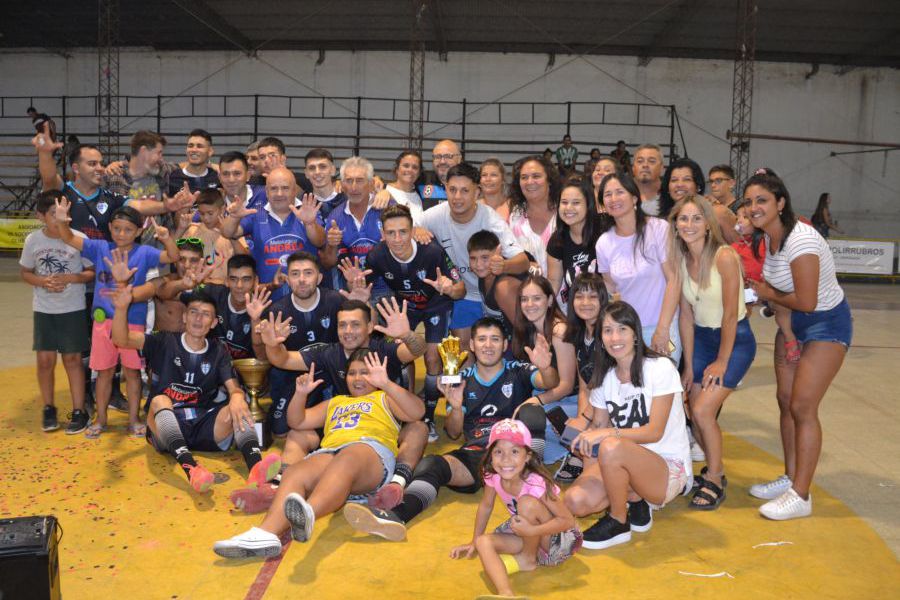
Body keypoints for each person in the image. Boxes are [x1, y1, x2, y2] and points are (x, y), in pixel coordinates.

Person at [341, 317, 557, 542]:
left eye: (495, 339)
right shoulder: (461, 379)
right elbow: (454, 433)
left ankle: (536, 483)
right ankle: (395, 516)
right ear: (472, 345)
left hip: (514, 454)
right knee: (432, 464)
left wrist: (545, 367)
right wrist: (456, 408)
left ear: (504, 345)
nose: (488, 345)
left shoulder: (517, 370)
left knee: (533, 411)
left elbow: (549, 382)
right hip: (480, 455)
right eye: (482, 339)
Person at [213, 349, 424, 557]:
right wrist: (300, 394)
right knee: (295, 473)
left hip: (370, 456)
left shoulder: (384, 398)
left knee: (349, 457)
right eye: (352, 373)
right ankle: (266, 533)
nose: (357, 378)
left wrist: (386, 383)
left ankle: (308, 512)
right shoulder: (336, 402)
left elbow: (417, 412)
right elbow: (297, 421)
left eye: (365, 372)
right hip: (332, 453)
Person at [244, 299, 428, 513]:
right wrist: (272, 344)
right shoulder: (330, 353)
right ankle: (278, 486)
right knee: (297, 433)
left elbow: (417, 350)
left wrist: (406, 335)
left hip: (384, 424)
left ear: (369, 327)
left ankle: (396, 483)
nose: (348, 331)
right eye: (342, 325)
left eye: (355, 324)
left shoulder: (383, 350)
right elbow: (283, 360)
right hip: (342, 423)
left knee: (418, 428)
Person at [744, 170, 852, 520]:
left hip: (825, 322)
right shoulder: (766, 239)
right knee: (785, 401)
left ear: (780, 203)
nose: (754, 207)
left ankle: (801, 496)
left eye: (762, 200)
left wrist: (765, 292)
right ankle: (791, 478)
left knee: (804, 406)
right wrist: (786, 331)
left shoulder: (801, 240)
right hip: (791, 323)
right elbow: (784, 304)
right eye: (749, 202)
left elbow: (805, 300)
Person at [110, 285, 281, 494]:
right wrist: (120, 308)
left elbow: (233, 388)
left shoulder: (218, 351)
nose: (198, 319)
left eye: (206, 314)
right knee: (159, 401)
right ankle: (192, 469)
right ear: (184, 317)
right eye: (194, 312)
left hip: (202, 425)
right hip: (165, 427)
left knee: (238, 404)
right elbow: (121, 339)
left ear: (214, 322)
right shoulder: (163, 341)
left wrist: (237, 397)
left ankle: (256, 468)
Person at [565, 301, 691, 549]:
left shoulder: (660, 368)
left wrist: (606, 433)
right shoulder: (604, 380)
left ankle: (618, 521)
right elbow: (596, 431)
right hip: (620, 460)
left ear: (635, 333)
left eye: (622, 329)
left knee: (611, 445)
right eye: (608, 330)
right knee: (575, 501)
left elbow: (654, 432)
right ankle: (634, 499)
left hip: (665, 467)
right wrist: (582, 441)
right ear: (600, 338)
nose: (615, 337)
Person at [53, 198, 179, 438]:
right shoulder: (100, 247)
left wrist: (166, 238)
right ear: (110, 227)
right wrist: (61, 221)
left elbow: (172, 257)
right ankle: (101, 418)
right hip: (103, 323)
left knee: (132, 373)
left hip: (133, 322)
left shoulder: (145, 252)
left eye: (129, 229)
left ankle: (133, 419)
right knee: (104, 373)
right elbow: (69, 238)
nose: (122, 234)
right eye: (117, 228)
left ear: (139, 230)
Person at [345, 204, 465, 439]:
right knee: (396, 354)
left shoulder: (432, 252)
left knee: (432, 357)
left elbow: (461, 289)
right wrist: (355, 287)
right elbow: (365, 289)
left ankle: (428, 417)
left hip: (436, 303)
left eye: (403, 232)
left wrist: (449, 289)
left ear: (413, 231)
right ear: (382, 234)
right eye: (391, 233)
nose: (397, 239)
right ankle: (404, 410)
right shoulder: (376, 255)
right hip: (405, 307)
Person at [671, 195, 757, 510]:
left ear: (708, 224)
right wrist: (690, 366)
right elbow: (686, 316)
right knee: (695, 411)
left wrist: (722, 360)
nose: (689, 225)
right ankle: (712, 469)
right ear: (676, 224)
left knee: (705, 410)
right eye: (683, 219)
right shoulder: (681, 260)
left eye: (696, 219)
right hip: (702, 340)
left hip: (733, 340)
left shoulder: (724, 257)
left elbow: (730, 316)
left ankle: (716, 477)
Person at [449, 419, 582, 599]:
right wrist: (473, 540)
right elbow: (486, 506)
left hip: (557, 542)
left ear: (527, 456)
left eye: (514, 451)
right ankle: (506, 594)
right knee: (483, 543)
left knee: (527, 503)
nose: (506, 459)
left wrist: (533, 530)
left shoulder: (536, 483)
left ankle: (527, 559)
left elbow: (567, 521)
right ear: (490, 455)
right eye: (498, 452)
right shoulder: (492, 474)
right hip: (528, 533)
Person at [416, 162, 530, 350]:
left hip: (493, 294)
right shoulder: (434, 216)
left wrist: (503, 266)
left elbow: (523, 262)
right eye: (452, 190)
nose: (457, 197)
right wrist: (415, 229)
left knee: (504, 351)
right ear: (445, 189)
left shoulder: (491, 220)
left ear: (477, 193)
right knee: (462, 350)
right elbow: (402, 225)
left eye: (464, 191)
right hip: (463, 295)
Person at [20, 190, 95, 434]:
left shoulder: (78, 238)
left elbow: (90, 272)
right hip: (44, 309)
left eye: (64, 212)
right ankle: (48, 407)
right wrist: (43, 282)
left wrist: (71, 278)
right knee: (45, 360)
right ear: (40, 216)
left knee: (73, 360)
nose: (60, 217)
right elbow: (26, 272)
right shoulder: (33, 240)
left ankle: (78, 410)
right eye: (54, 213)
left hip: (72, 309)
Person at [595, 172, 682, 361]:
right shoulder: (604, 242)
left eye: (619, 192)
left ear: (634, 197)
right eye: (607, 195)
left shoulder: (658, 228)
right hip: (628, 332)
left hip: (662, 326)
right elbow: (610, 289)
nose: (613, 199)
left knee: (663, 386)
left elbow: (674, 280)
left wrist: (662, 329)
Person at [263, 251, 342, 442]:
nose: (302, 280)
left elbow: (362, 335)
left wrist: (363, 303)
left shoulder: (336, 301)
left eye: (308, 273)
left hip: (332, 374)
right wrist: (273, 344)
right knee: (280, 431)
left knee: (336, 427)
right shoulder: (277, 311)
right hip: (295, 378)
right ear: (287, 279)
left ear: (319, 277)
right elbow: (272, 357)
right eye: (295, 274)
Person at [221, 167, 324, 300]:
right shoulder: (255, 213)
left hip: (306, 296)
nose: (279, 193)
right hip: (268, 298)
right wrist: (234, 217)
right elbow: (228, 233)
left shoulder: (308, 210)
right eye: (274, 188)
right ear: (267, 192)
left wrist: (310, 223)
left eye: (285, 188)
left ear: (294, 190)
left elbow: (320, 242)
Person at [511, 275, 575, 465]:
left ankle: (576, 453)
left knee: (533, 424)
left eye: (536, 298)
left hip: (570, 400)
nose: (529, 304)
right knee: (518, 427)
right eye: (524, 299)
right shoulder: (527, 329)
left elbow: (567, 386)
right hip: (546, 396)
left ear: (549, 301)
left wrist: (535, 400)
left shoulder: (559, 331)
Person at [555, 272, 609, 482]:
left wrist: (585, 420)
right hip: (593, 408)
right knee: (559, 423)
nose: (585, 302)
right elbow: (585, 388)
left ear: (603, 300)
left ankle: (597, 469)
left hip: (613, 409)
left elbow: (608, 389)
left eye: (593, 297)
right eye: (579, 296)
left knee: (585, 438)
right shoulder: (579, 334)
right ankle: (580, 456)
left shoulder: (608, 334)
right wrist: (579, 421)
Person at [318, 156, 390, 294]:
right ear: (342, 184)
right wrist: (332, 245)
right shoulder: (336, 216)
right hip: (353, 290)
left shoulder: (387, 207)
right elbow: (328, 263)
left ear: (371, 183)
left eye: (360, 180)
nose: (354, 187)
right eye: (349, 181)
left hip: (389, 290)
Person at [546, 177, 608, 310]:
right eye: (564, 202)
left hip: (606, 310)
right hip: (578, 313)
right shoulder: (557, 240)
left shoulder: (605, 233)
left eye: (576, 202)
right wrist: (543, 303)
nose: (569, 208)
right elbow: (554, 281)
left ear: (589, 204)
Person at [202, 254, 269, 360]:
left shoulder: (265, 311)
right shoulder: (211, 293)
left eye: (246, 279)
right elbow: (167, 294)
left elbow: (263, 358)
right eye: (233, 279)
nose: (239, 286)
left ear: (256, 281)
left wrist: (255, 320)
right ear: (227, 281)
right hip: (211, 368)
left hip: (246, 373)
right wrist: (187, 284)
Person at [660, 158, 738, 243]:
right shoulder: (662, 222)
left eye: (687, 179)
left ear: (698, 186)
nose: (679, 184)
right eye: (674, 180)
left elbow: (741, 250)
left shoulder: (717, 213)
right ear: (667, 187)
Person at [508, 156, 559, 276]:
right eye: (524, 177)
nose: (530, 182)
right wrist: (527, 265)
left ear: (549, 180)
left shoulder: (565, 212)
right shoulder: (515, 216)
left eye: (536, 176)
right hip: (527, 291)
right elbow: (511, 256)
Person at [174, 189, 237, 284]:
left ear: (223, 209)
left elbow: (244, 258)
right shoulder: (192, 230)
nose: (206, 218)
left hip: (221, 289)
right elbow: (172, 254)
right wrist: (181, 229)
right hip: (195, 286)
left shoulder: (233, 232)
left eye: (210, 213)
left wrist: (230, 235)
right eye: (202, 213)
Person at [467, 230, 527, 330]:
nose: (478, 264)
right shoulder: (484, 275)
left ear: (499, 254)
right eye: (473, 258)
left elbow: (525, 330)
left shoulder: (503, 287)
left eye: (485, 257)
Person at [167, 129, 220, 195]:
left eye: (199, 146)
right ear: (186, 150)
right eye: (190, 146)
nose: (194, 150)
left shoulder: (217, 177)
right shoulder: (172, 177)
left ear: (210, 151)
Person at [418, 139, 462, 210]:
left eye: (448, 156)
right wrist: (392, 202)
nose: (442, 161)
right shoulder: (421, 181)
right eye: (437, 157)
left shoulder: (469, 184)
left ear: (459, 159)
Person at [383, 150, 425, 223]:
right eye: (406, 166)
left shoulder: (421, 195)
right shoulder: (384, 190)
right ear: (397, 169)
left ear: (419, 173)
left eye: (415, 167)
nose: (410, 170)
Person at [304, 148, 345, 218]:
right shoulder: (302, 203)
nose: (317, 172)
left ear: (333, 170)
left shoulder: (347, 200)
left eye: (322, 167)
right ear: (306, 173)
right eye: (312, 168)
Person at [631, 144, 664, 217]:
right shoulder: (621, 193)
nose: (645, 165)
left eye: (651, 161)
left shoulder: (670, 195)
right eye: (640, 161)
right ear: (633, 167)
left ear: (662, 167)